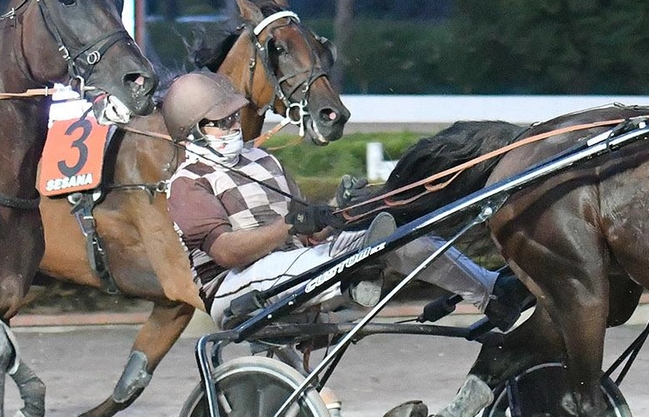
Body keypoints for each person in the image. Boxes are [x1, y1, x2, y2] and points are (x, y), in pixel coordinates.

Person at [163, 71, 527, 328]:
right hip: (233, 288)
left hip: (293, 266)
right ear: (192, 131)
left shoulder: (263, 160)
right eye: (220, 122)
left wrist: (335, 212)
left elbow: (308, 237)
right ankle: (356, 273)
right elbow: (226, 252)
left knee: (398, 235)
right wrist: (287, 225)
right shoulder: (188, 182)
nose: (232, 127)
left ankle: (492, 291)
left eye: (233, 118)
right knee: (319, 259)